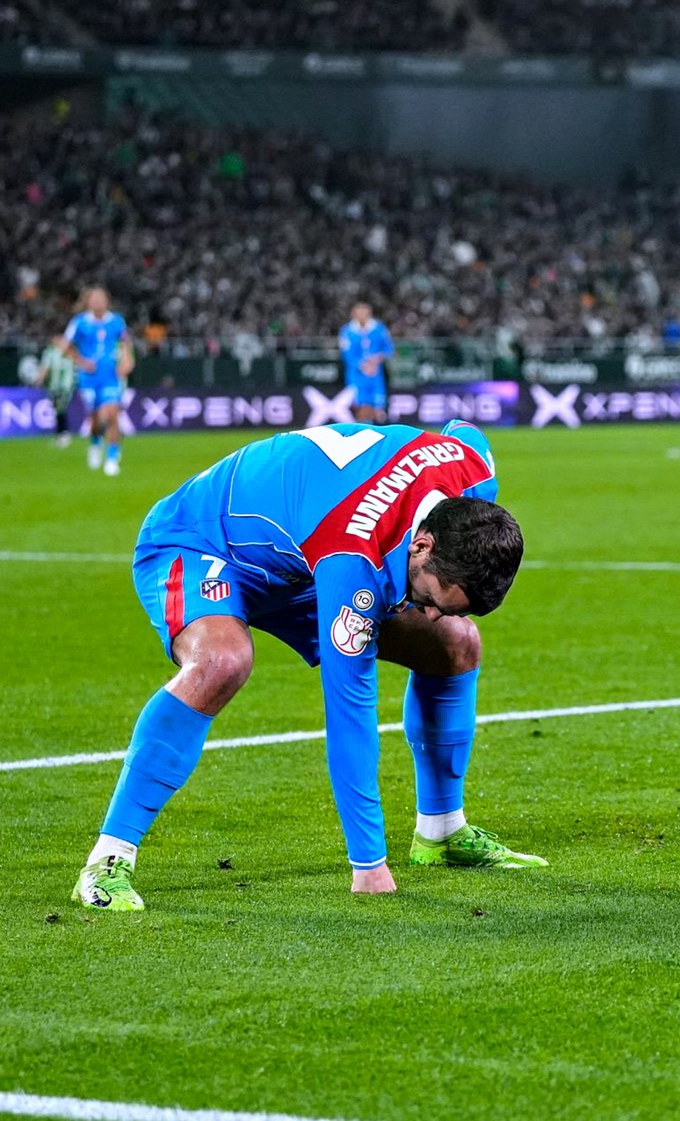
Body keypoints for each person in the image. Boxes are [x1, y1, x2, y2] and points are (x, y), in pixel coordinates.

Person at [71, 419, 547, 912]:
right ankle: (108, 859)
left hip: (301, 560)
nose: (426, 612)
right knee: (223, 660)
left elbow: (463, 430)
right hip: (204, 542)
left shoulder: (473, 471)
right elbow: (349, 710)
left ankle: (442, 830)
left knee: (455, 643)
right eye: (428, 597)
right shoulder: (353, 555)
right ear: (422, 544)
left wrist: (439, 604)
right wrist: (369, 865)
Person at [61, 286, 134, 476]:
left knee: (111, 413)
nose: (98, 302)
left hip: (111, 376)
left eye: (101, 298)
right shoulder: (80, 323)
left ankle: (112, 458)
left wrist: (127, 359)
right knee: (95, 419)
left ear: (107, 301)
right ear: (88, 302)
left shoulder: (117, 321)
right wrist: (82, 362)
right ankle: (95, 443)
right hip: (88, 379)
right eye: (94, 299)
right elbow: (65, 346)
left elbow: (125, 342)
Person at [339, 302, 395, 423]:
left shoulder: (379, 328)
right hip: (356, 374)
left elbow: (389, 348)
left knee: (378, 408)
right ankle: (364, 434)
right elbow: (347, 354)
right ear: (353, 314)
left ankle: (378, 434)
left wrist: (378, 358)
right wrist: (362, 365)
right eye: (359, 312)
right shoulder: (347, 331)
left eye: (365, 311)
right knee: (361, 407)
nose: (362, 314)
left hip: (375, 374)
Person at [34, 334, 76, 447]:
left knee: (60, 408)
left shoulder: (68, 352)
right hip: (56, 386)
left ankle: (63, 434)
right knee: (59, 409)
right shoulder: (51, 352)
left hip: (65, 386)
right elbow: (45, 368)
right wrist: (40, 379)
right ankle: (62, 434)